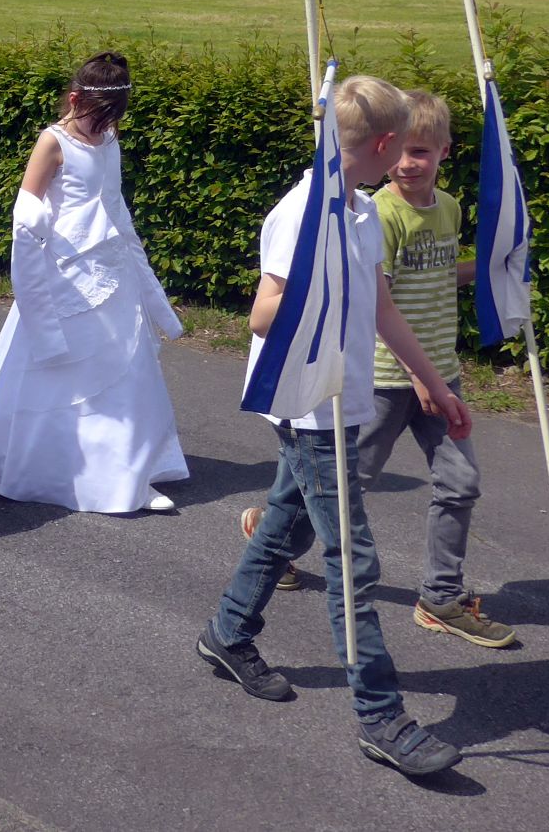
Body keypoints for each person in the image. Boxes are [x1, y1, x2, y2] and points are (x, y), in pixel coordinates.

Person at [196, 76, 470, 779]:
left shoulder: (361, 210)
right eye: (399, 148)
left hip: (344, 399)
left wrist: (434, 383)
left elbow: (382, 309)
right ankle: (381, 715)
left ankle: (227, 631)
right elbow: (261, 315)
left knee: (286, 522)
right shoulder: (300, 214)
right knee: (354, 560)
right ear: (385, 144)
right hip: (307, 403)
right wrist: (310, 286)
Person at [269, 91, 512, 644]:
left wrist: (492, 266)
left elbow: (438, 275)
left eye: (421, 151)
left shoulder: (448, 208)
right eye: (402, 150)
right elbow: (378, 306)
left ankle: (441, 596)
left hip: (438, 371)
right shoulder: (378, 212)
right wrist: (418, 377)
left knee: (461, 483)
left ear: (445, 151)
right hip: (382, 379)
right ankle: (276, 539)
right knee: (342, 486)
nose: (408, 163)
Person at [0, 51, 188, 514]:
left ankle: (126, 472)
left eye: (113, 118)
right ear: (75, 100)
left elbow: (112, 201)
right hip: (65, 271)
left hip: (112, 268)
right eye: (99, 117)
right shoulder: (52, 142)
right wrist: (34, 237)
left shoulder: (109, 139)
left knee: (123, 367)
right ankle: (45, 464)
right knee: (57, 367)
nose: (105, 127)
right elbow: (28, 206)